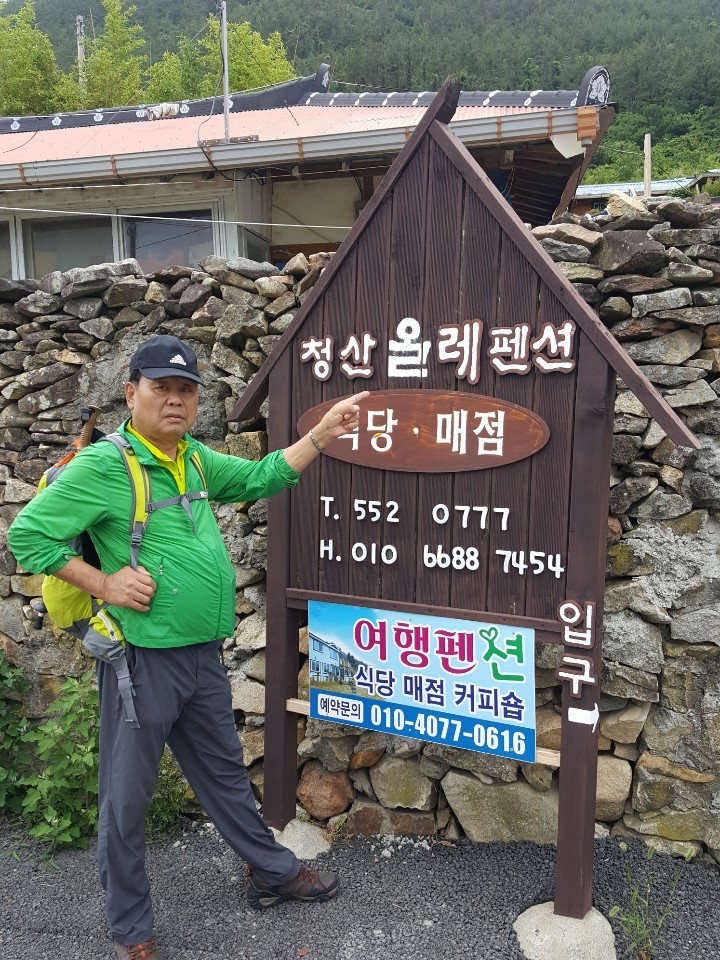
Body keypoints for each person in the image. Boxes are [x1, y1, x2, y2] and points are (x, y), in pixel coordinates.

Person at [8, 335, 369, 960]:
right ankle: (131, 929)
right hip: (141, 662)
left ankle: (270, 871)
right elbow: (28, 534)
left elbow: (260, 476)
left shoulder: (194, 459)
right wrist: (105, 584)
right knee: (127, 798)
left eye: (186, 390)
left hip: (200, 656)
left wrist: (321, 434)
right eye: (161, 388)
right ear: (132, 394)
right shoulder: (105, 467)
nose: (174, 400)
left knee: (224, 774)